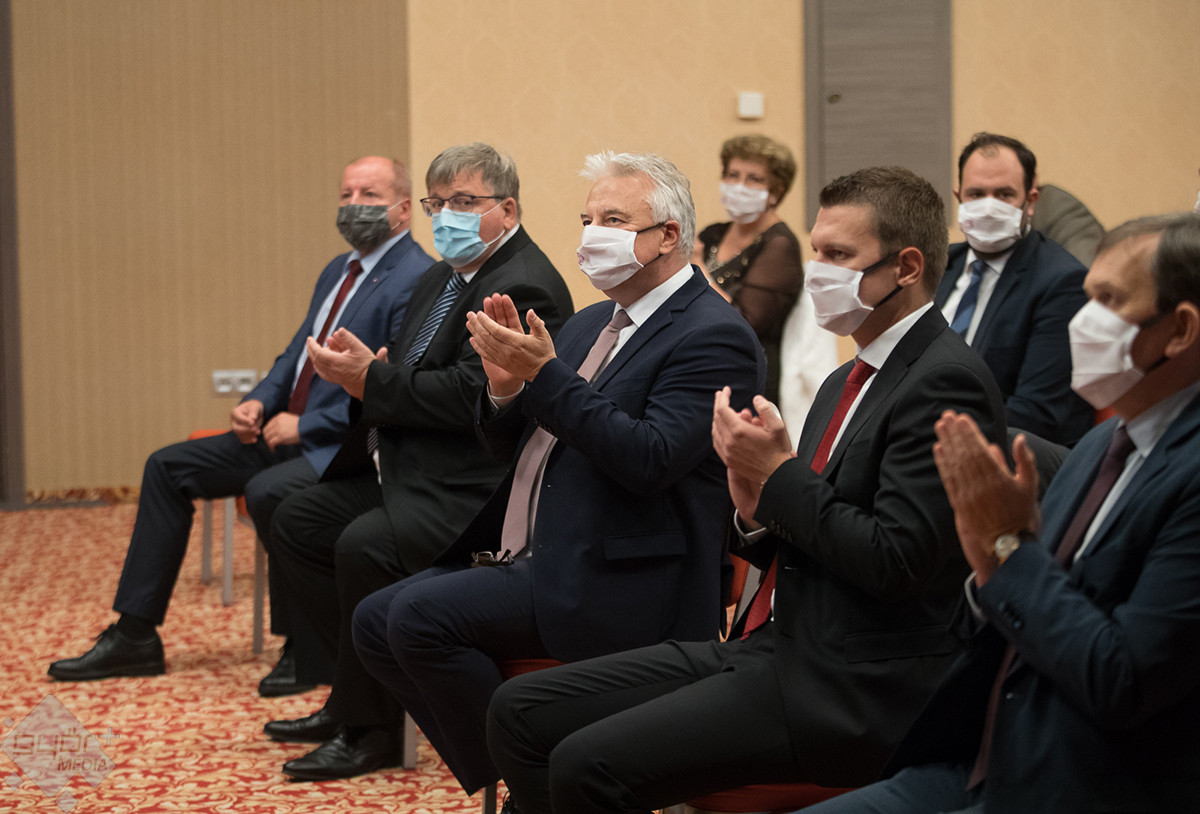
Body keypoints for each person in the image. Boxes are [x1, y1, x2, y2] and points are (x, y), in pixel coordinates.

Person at [483, 166, 1009, 814]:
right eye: (817, 252)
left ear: (905, 267)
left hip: (853, 684)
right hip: (774, 647)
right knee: (519, 710)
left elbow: (896, 562)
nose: (817, 273)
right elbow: (815, 531)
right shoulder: (848, 376)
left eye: (839, 256)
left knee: (586, 764)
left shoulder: (944, 380)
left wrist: (779, 478)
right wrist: (755, 510)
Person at [350, 150, 765, 796]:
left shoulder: (714, 335)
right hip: (541, 552)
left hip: (627, 578)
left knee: (416, 620)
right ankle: (533, 779)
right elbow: (519, 443)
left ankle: (533, 786)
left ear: (667, 236)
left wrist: (543, 376)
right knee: (374, 620)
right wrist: (504, 390)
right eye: (587, 219)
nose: (592, 234)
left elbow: (649, 458)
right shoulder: (592, 322)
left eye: (613, 219)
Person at [798, 211, 1200, 813]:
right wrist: (988, 565)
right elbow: (1013, 606)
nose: (1083, 321)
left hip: (1084, 783)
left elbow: (1121, 681)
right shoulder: (1101, 444)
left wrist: (1007, 550)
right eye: (1087, 296)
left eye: (1110, 301)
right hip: (985, 755)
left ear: (1181, 329)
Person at [47, 156, 433, 683]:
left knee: (270, 492)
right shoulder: (337, 270)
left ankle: (303, 645)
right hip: (281, 430)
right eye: (345, 194)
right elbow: (296, 355)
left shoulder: (416, 277)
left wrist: (306, 427)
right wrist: (258, 402)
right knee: (167, 467)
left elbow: (390, 381)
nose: (352, 206)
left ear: (403, 209)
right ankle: (135, 634)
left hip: (341, 445)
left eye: (368, 195)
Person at [260, 143, 574, 781]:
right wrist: (369, 371)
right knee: (297, 520)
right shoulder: (447, 274)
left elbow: (469, 395)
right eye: (438, 203)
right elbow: (408, 370)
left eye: (465, 202)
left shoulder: (523, 283)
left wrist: (369, 380)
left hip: (471, 484)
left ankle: (370, 729)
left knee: (362, 545)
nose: (447, 216)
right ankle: (352, 692)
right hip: (412, 465)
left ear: (508, 209)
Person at [938, 132, 1092, 446]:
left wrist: (928, 434)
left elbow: (1037, 415)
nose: (988, 207)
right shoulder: (938, 266)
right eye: (976, 194)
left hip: (1000, 452)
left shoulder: (1062, 282)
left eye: (1004, 194)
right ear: (959, 198)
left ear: (1030, 202)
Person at [694, 134, 804, 404]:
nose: (739, 187)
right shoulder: (713, 234)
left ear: (775, 192)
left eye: (754, 179)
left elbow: (743, 322)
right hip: (700, 360)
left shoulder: (779, 245)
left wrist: (697, 269)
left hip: (745, 376)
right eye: (733, 175)